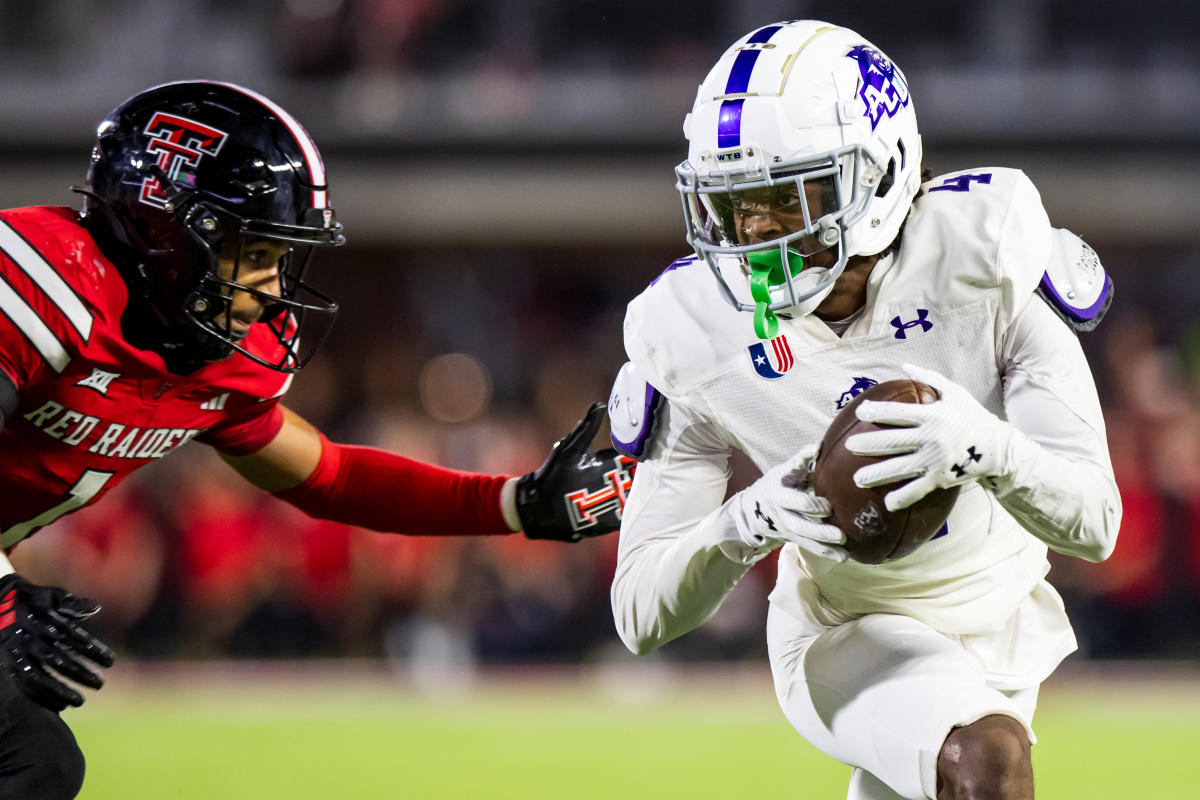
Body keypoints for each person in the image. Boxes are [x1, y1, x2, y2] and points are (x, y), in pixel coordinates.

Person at [0, 79, 631, 799]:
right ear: (167, 230)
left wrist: (514, 504)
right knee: (29, 759)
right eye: (255, 252)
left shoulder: (205, 355)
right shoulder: (41, 278)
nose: (272, 286)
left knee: (35, 759)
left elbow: (330, 475)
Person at [607, 20, 1120, 800]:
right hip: (841, 628)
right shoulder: (691, 328)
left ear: (880, 176)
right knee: (987, 764)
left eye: (785, 196)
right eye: (735, 204)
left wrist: (984, 446)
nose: (756, 234)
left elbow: (1095, 524)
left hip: (1003, 615)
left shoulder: (984, 253)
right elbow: (640, 613)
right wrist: (742, 526)